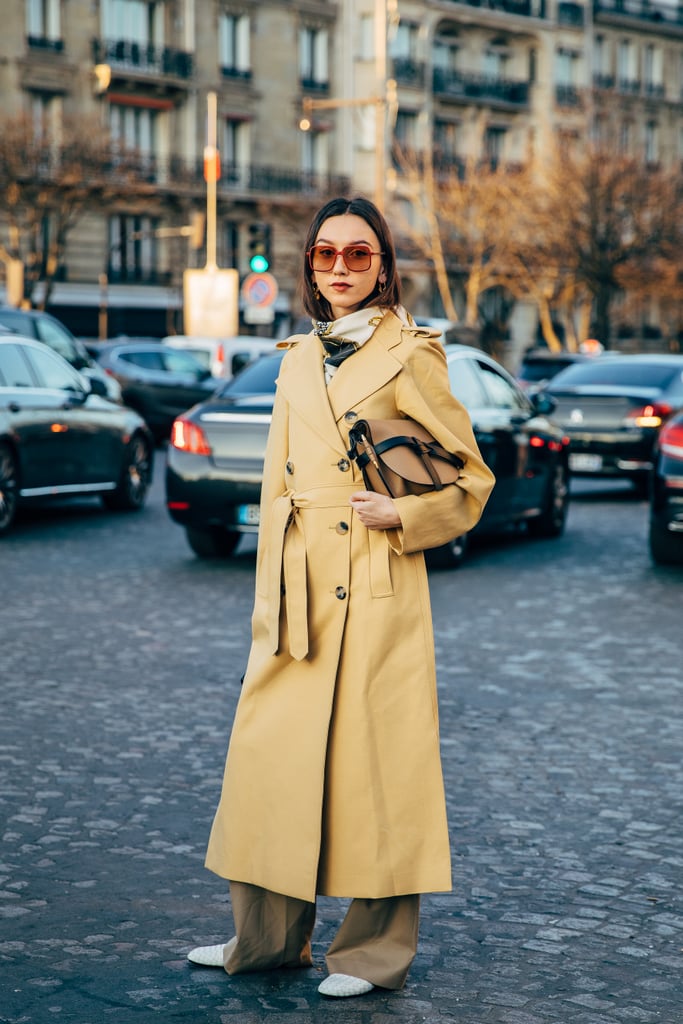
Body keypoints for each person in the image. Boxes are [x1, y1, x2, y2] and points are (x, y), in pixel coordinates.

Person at [187, 196, 495, 998]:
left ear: (384, 265)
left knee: (379, 770)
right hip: (295, 588)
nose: (340, 269)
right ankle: (262, 941)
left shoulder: (414, 354)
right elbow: (274, 482)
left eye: (358, 255)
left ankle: (369, 955)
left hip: (375, 577)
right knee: (268, 760)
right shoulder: (294, 356)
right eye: (326, 254)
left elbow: (473, 476)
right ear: (309, 265)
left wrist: (407, 512)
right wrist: (266, 594)